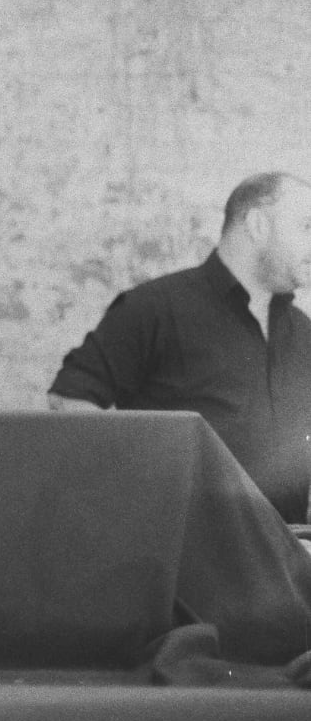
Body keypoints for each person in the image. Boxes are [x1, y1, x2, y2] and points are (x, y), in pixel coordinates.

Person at [48, 171, 311, 523]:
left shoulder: (303, 330)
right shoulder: (154, 307)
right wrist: (136, 504)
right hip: (180, 562)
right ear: (258, 225)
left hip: (285, 563)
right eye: (307, 226)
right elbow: (69, 401)